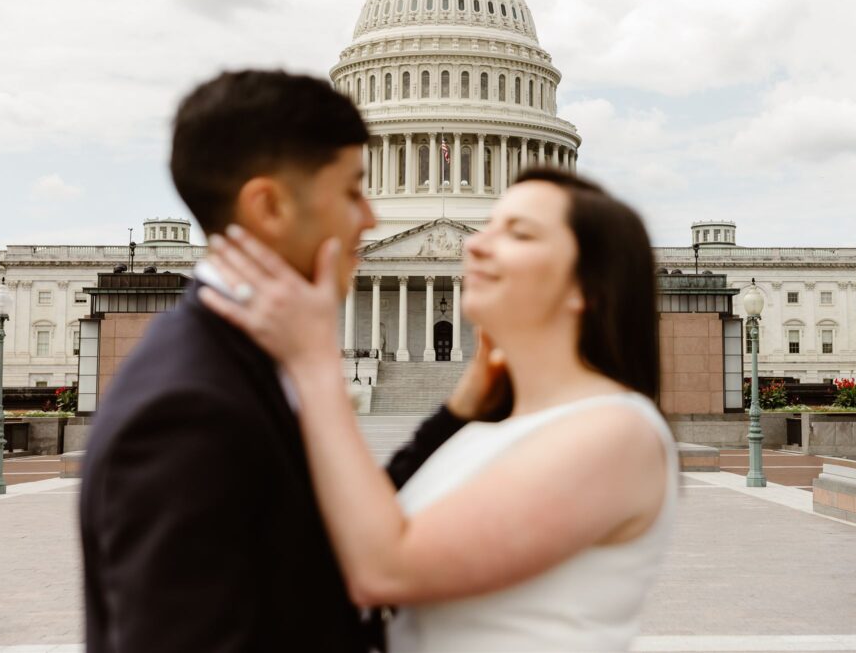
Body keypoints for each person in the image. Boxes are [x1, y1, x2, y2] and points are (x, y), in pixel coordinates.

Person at [79, 70, 498, 652]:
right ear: (269, 206)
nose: (372, 219)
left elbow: (323, 536)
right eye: (353, 190)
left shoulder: (244, 355)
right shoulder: (184, 406)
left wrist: (456, 411)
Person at [202, 168, 679, 651]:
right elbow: (376, 523)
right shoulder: (502, 424)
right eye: (489, 225)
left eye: (518, 232)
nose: (471, 244)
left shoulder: (615, 433)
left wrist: (313, 364)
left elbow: (379, 570)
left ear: (586, 289)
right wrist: (454, 415)